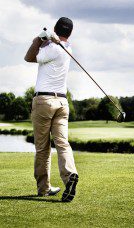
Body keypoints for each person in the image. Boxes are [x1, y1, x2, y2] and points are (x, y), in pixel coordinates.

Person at [24, 17, 78, 202]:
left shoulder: (52, 48)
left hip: (44, 101)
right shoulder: (67, 48)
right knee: (63, 143)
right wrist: (50, 39)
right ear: (70, 33)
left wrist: (39, 38)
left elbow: (29, 57)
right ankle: (70, 174)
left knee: (42, 148)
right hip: (62, 103)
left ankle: (44, 189)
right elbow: (55, 42)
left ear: (55, 28)